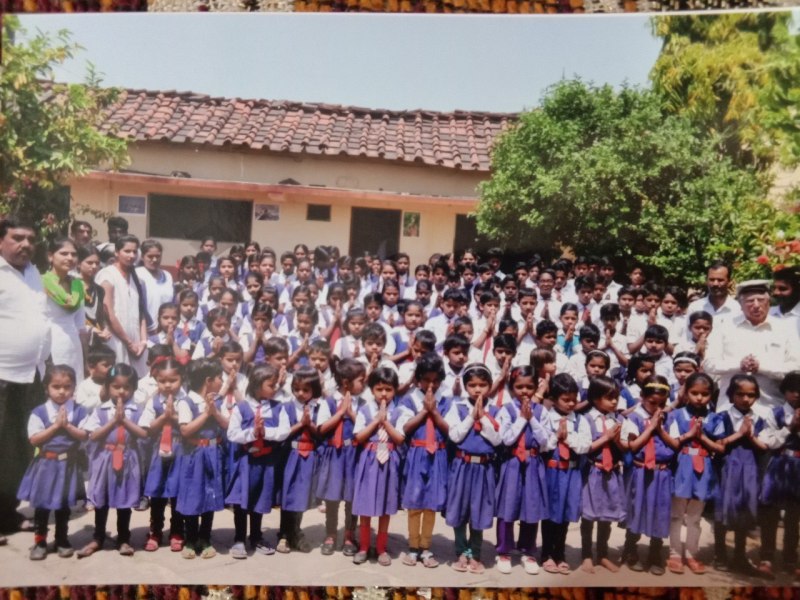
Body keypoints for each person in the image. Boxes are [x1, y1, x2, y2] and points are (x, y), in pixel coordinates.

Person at [0, 218, 51, 543]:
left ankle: (7, 512)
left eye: (30, 239)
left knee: (20, 448)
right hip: (2, 374)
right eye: (17, 238)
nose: (25, 245)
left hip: (30, 374)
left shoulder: (32, 272)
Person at [17, 365, 88, 560]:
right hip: (47, 466)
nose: (62, 391)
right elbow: (35, 439)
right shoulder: (40, 412)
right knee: (42, 506)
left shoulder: (79, 411)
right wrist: (56, 426)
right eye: (56, 386)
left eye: (67, 386)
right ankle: (40, 541)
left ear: (74, 387)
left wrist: (68, 427)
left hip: (67, 467)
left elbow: (84, 435)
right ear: (46, 388)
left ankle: (62, 539)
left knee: (63, 506)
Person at [77, 364, 147, 558]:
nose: (121, 391)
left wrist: (124, 421)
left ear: (133, 388)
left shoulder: (136, 411)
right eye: (116, 387)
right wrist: (113, 422)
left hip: (127, 460)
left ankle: (124, 538)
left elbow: (143, 433)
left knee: (124, 500)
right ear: (107, 387)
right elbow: (93, 435)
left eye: (126, 387)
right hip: (105, 461)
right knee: (102, 499)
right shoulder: (101, 411)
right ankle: (98, 537)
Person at [705, 280, 800, 411]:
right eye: (750, 301)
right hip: (730, 408)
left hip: (771, 407)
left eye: (761, 300)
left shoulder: (785, 329)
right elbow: (709, 364)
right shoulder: (724, 327)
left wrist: (762, 367)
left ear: (769, 302)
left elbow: (795, 368)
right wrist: (739, 365)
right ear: (740, 304)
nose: (756, 305)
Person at [444, 364, 502, 574]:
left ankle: (475, 553)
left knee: (479, 510)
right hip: (462, 466)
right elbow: (455, 436)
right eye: (472, 385)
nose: (477, 390)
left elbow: (497, 440)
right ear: (466, 386)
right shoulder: (457, 407)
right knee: (459, 509)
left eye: (483, 385)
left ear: (489, 386)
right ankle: (462, 552)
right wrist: (472, 417)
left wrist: (483, 419)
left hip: (483, 468)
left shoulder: (495, 410)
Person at [396, 353, 451, 569]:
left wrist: (435, 412)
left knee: (430, 504)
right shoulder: (409, 399)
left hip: (437, 455)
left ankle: (426, 547)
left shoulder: (446, 401)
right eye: (426, 379)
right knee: (415, 502)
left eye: (435, 380)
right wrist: (424, 411)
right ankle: (412, 546)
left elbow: (451, 431)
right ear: (418, 379)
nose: (431, 384)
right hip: (417, 455)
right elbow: (405, 427)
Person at [495, 366, 551, 575]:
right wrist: (521, 419)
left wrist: (532, 419)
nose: (525, 391)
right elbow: (506, 439)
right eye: (519, 387)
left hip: (533, 462)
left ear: (537, 387)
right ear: (512, 388)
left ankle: (527, 550)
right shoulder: (507, 410)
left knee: (531, 506)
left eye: (529, 387)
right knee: (508, 507)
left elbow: (545, 442)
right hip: (512, 463)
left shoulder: (542, 411)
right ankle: (504, 550)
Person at [620, 376, 676, 575]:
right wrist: (651, 428)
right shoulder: (634, 417)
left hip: (662, 472)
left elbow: (676, 445)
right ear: (642, 397)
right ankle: (630, 549)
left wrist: (660, 429)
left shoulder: (669, 418)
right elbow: (633, 445)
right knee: (637, 507)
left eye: (662, 404)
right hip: (641, 470)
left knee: (660, 511)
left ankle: (655, 553)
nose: (657, 408)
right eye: (652, 402)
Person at [666, 372, 721, 575]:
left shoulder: (715, 418)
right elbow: (673, 441)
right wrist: (689, 435)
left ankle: (691, 553)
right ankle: (674, 552)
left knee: (695, 516)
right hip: (683, 465)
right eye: (694, 392)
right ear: (686, 393)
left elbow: (720, 445)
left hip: (704, 466)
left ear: (711, 395)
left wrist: (703, 437)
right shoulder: (677, 415)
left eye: (705, 394)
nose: (699, 397)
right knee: (677, 513)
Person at [351, 367, 405, 566]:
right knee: (365, 505)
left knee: (385, 505)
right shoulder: (365, 410)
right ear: (372, 390)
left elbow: (399, 439)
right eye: (379, 389)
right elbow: (359, 437)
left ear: (395, 390)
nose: (384, 394)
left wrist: (386, 422)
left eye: (388, 389)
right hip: (369, 459)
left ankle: (381, 548)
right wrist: (376, 421)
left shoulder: (400, 412)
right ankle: (364, 546)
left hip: (389, 460)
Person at [177, 358, 228, 559]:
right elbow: (185, 429)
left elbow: (226, 425)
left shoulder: (217, 402)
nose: (221, 382)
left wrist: (215, 412)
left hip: (213, 453)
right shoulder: (186, 401)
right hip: (194, 455)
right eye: (219, 378)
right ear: (208, 380)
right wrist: (206, 414)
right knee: (192, 496)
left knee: (209, 496)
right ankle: (190, 540)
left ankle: (205, 538)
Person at [540, 373, 590, 575]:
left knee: (565, 514)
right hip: (552, 470)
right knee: (550, 515)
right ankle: (546, 553)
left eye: (574, 399)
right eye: (565, 399)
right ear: (553, 398)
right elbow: (543, 444)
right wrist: (555, 437)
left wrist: (567, 438)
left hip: (571, 472)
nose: (571, 404)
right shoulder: (546, 416)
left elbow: (584, 446)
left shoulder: (580, 420)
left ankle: (560, 553)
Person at [315, 358, 366, 556]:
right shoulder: (328, 402)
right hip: (334, 454)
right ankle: (330, 535)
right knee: (332, 497)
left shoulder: (362, 404)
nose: (364, 384)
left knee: (351, 497)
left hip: (353, 454)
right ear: (346, 382)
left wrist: (352, 413)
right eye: (361, 380)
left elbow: (364, 429)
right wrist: (341, 412)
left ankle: (349, 535)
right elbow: (322, 428)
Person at [138, 357, 187, 553]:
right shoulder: (153, 401)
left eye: (172, 380)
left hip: (180, 452)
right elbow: (146, 426)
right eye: (162, 381)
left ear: (181, 378)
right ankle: (155, 530)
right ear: (156, 380)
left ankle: (177, 531)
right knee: (157, 493)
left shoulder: (185, 399)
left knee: (177, 493)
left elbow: (187, 425)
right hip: (158, 453)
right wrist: (163, 417)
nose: (167, 385)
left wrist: (173, 417)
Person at [580, 376, 624, 574]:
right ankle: (587, 555)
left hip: (611, 472)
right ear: (596, 398)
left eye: (616, 397)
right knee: (589, 516)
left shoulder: (619, 419)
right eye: (609, 397)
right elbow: (585, 447)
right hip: (593, 471)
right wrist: (606, 438)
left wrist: (617, 442)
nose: (614, 402)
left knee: (607, 515)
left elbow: (625, 448)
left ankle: (603, 554)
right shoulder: (586, 419)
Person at [95, 235, 148, 377]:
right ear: (117, 252)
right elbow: (108, 312)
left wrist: (143, 341)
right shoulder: (107, 275)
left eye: (135, 252)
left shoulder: (137, 279)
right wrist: (128, 343)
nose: (132, 255)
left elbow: (141, 311)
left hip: (137, 344)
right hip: (115, 341)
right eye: (127, 251)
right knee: (117, 380)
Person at [43, 239, 87, 382]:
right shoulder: (40, 283)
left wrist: (86, 358)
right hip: (49, 342)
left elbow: (81, 326)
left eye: (73, 254)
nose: (69, 258)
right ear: (50, 256)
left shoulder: (78, 285)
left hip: (73, 344)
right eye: (64, 253)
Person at [136, 240, 175, 335]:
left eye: (157, 256)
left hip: (167, 328)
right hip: (143, 329)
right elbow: (138, 304)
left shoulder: (168, 276)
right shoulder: (137, 274)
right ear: (142, 256)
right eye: (150, 256)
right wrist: (150, 326)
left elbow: (172, 304)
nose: (154, 260)